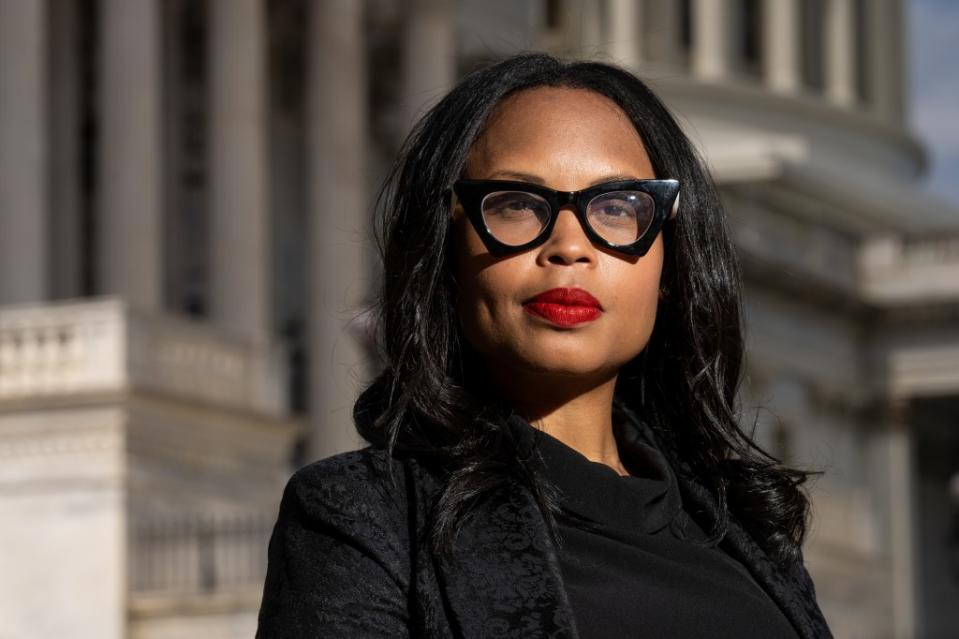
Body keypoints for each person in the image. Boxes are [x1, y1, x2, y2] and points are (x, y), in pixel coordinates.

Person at [256, 53, 832, 638]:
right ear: (443, 253)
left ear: (670, 267)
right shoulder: (364, 518)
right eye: (515, 205)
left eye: (616, 207)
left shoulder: (753, 532)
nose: (569, 246)